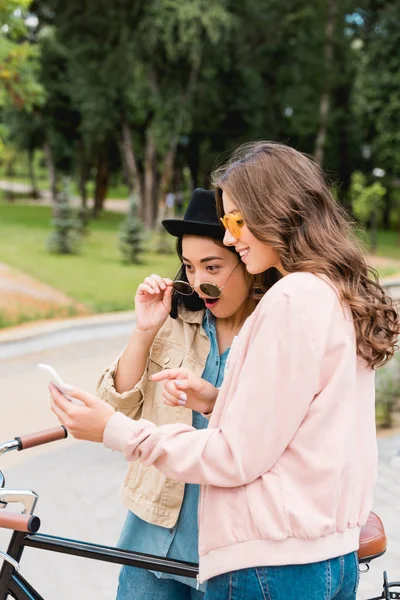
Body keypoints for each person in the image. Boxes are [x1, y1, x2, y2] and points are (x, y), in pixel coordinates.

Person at [50, 142, 398, 600]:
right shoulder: (333, 293)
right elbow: (296, 424)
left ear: (275, 211)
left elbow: (235, 456)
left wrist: (114, 429)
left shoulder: (290, 300)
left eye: (235, 220)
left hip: (268, 563)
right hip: (319, 554)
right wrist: (217, 400)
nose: (230, 235)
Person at [87, 187, 278, 600]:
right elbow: (114, 407)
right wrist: (144, 330)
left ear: (247, 262)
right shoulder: (175, 321)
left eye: (213, 267)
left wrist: (213, 398)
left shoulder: (271, 331)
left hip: (230, 548)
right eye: (190, 268)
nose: (200, 282)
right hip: (152, 534)